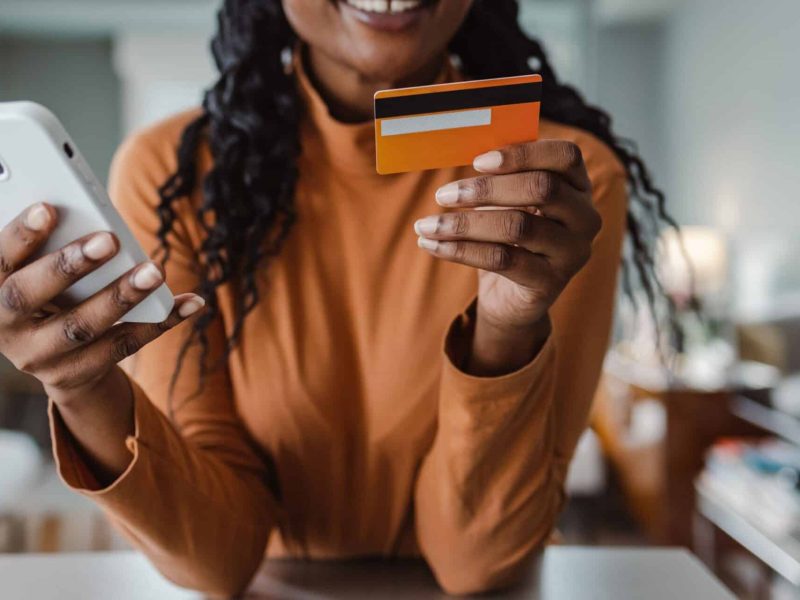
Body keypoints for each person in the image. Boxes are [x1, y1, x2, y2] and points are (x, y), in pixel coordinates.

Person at [0, 0, 675, 595]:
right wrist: (82, 387)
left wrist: (506, 326)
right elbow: (219, 559)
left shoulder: (556, 186)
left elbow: (476, 561)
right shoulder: (175, 172)